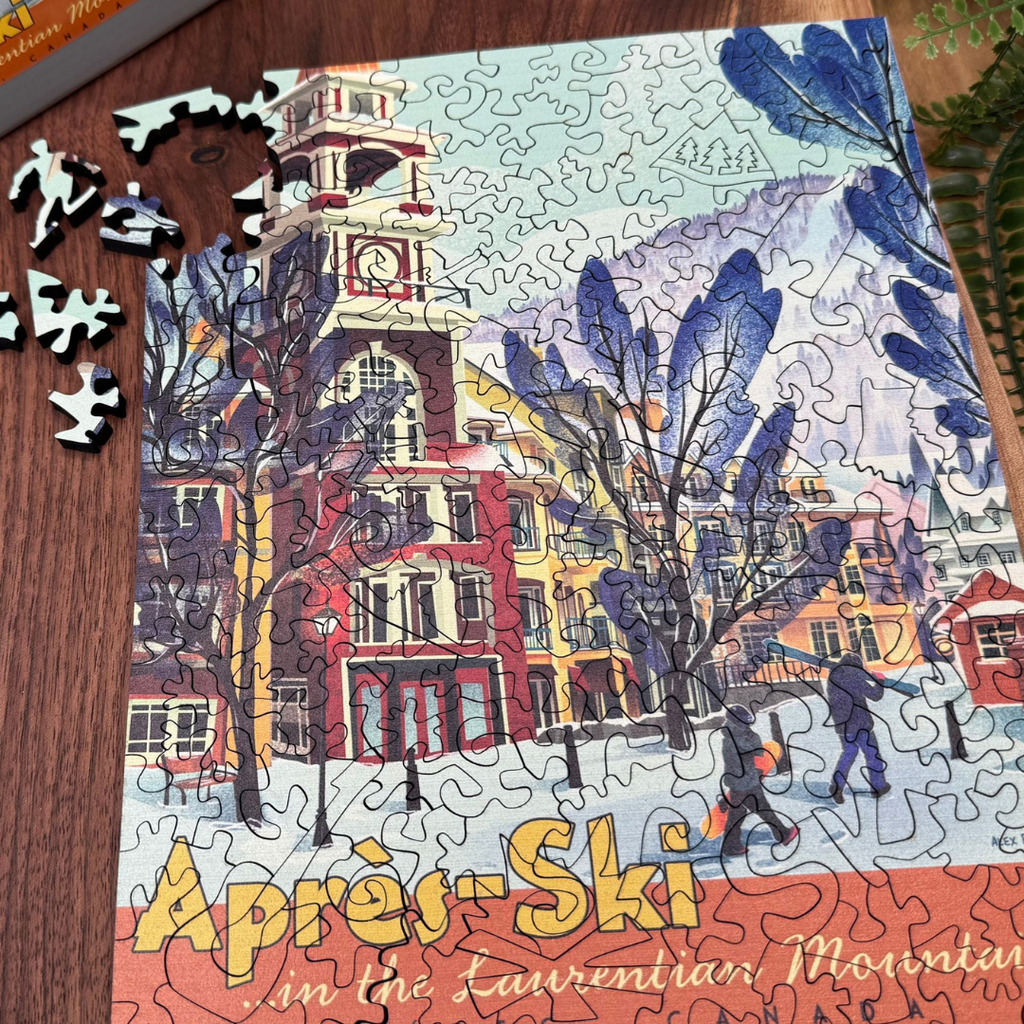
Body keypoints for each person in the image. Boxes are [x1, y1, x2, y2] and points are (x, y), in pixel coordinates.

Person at [720, 705, 798, 856]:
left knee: (749, 811)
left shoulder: (737, 735)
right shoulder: (735, 739)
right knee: (751, 811)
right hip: (744, 783)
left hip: (745, 780)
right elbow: (748, 756)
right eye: (744, 723)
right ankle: (782, 834)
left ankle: (782, 834)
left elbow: (750, 755)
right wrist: (753, 772)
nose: (747, 726)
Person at [826, 653, 890, 802]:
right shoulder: (855, 676)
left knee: (848, 753)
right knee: (872, 754)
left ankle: (836, 786)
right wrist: (880, 680)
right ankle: (878, 786)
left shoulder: (832, 677)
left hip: (842, 725)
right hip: (861, 724)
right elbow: (875, 695)